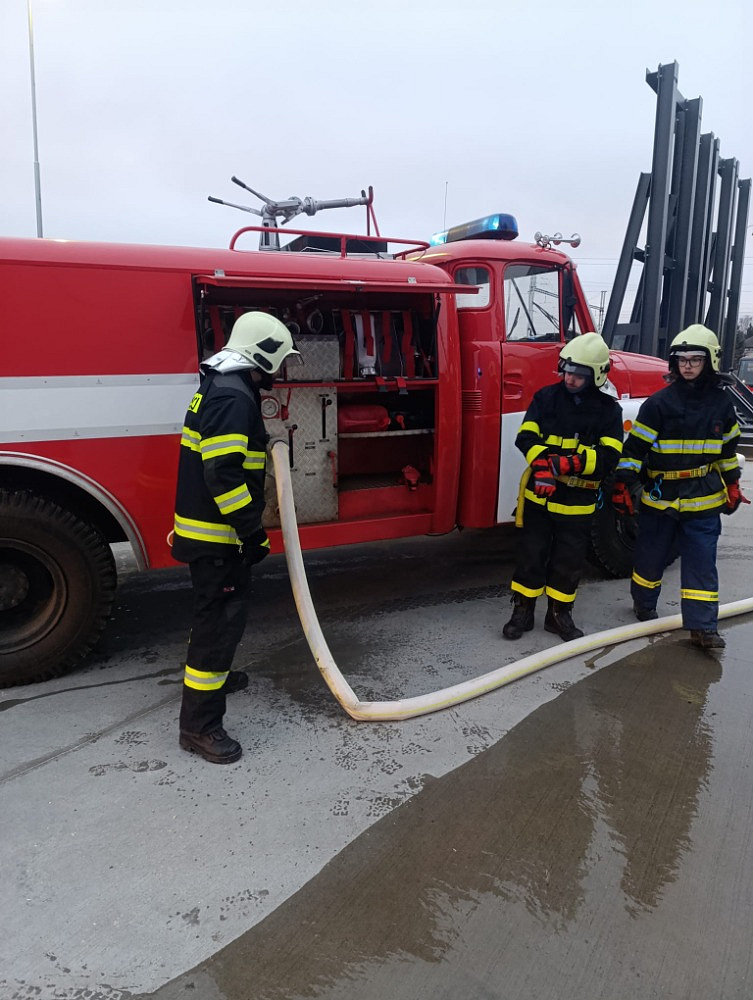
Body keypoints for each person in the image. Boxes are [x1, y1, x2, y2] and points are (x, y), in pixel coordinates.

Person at [172, 311, 301, 763]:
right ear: (262, 355)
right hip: (219, 539)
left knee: (216, 620)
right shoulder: (233, 397)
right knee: (217, 626)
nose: (280, 369)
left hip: (209, 534)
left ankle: (216, 679)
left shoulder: (222, 384)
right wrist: (252, 533)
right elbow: (223, 475)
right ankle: (200, 728)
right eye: (279, 360)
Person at [612, 324, 746, 649]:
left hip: (703, 499)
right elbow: (635, 450)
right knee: (650, 558)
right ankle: (644, 604)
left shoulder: (721, 406)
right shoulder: (658, 404)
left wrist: (732, 484)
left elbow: (727, 453)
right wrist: (621, 485)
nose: (687, 365)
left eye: (695, 359)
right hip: (661, 499)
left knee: (702, 564)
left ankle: (703, 628)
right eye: (682, 359)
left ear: (709, 361)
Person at [504, 332, 624, 642]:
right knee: (530, 555)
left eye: (578, 375)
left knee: (568, 561)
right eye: (567, 371)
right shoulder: (545, 398)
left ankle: (558, 615)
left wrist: (571, 464)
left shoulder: (609, 411)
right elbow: (525, 437)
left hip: (577, 500)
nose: (570, 379)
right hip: (539, 496)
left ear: (596, 375)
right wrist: (543, 466)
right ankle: (522, 611)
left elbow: (610, 456)